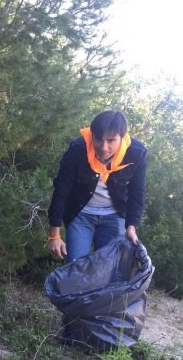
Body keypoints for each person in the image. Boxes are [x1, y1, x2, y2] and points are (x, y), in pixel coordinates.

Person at [47, 110, 147, 263]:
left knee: (107, 269)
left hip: (115, 215)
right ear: (92, 135)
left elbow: (137, 193)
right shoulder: (77, 149)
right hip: (81, 214)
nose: (103, 147)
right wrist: (54, 234)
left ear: (122, 137)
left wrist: (131, 226)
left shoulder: (136, 153)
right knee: (75, 267)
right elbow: (62, 190)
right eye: (99, 139)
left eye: (111, 140)